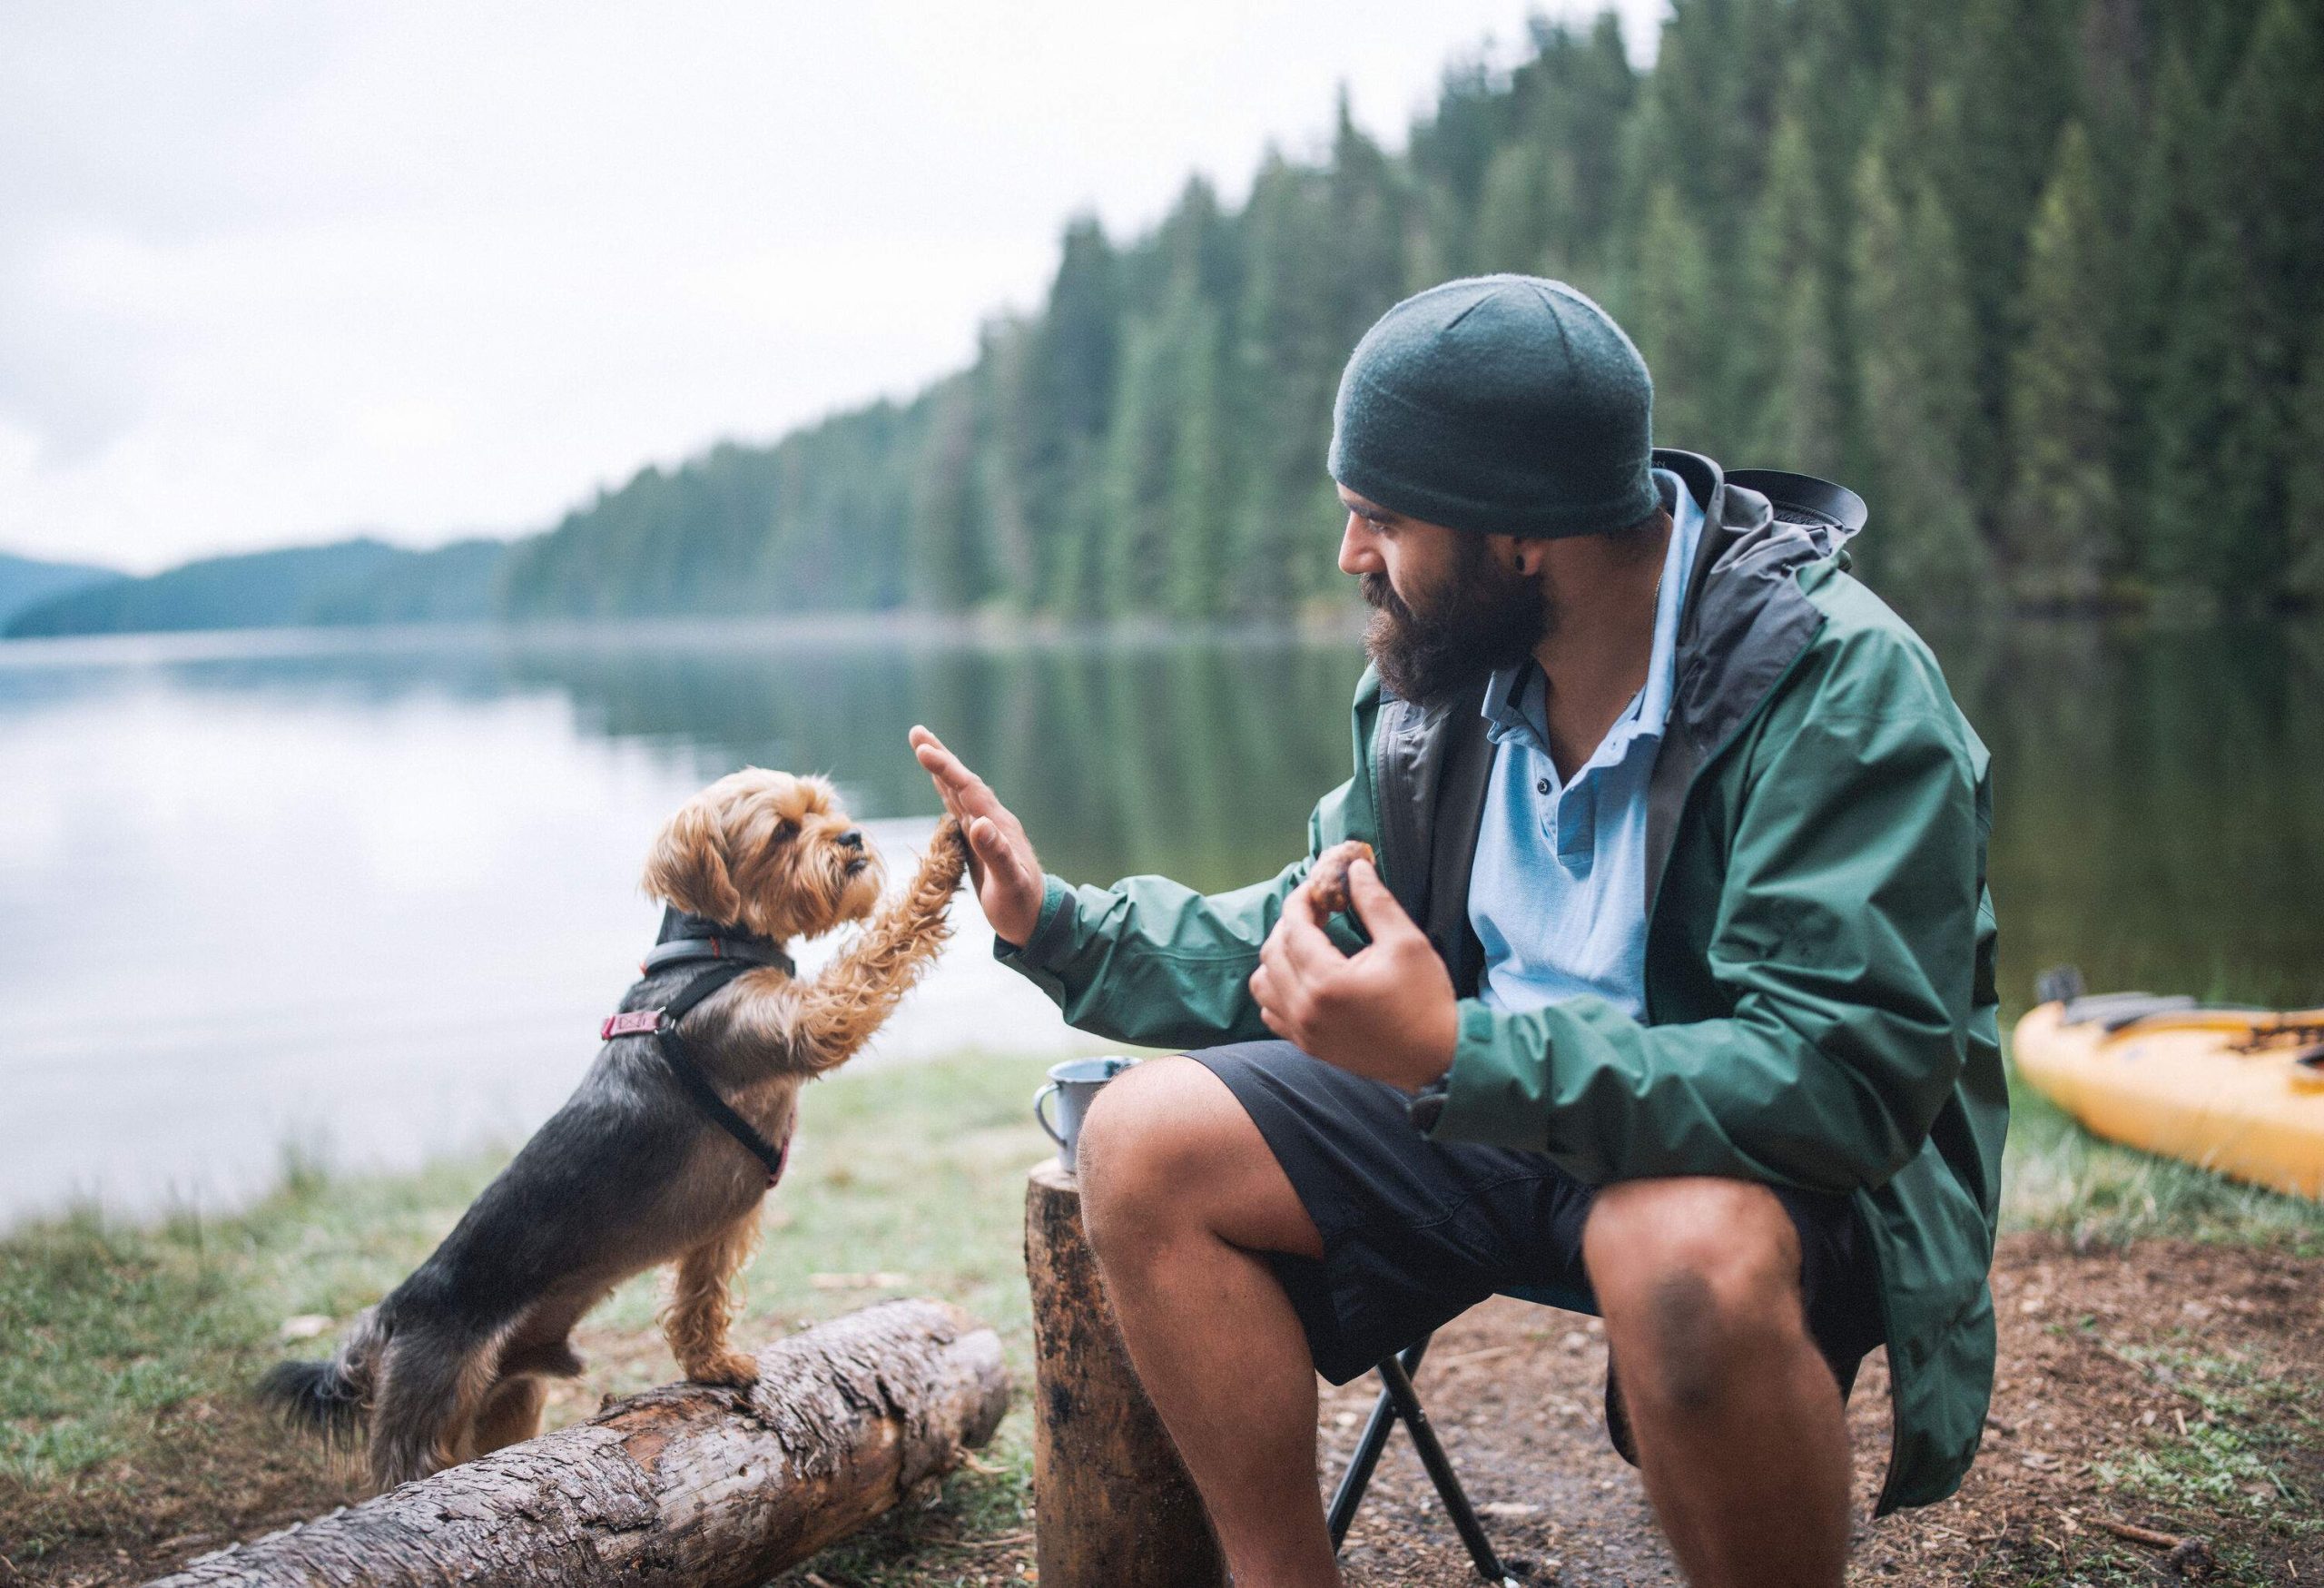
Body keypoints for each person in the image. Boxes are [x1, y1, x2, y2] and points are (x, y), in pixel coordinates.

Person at [910, 275, 2003, 1588]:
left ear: (1523, 533)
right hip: (1489, 1111)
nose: (1349, 555)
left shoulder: (1837, 686)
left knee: (1672, 1257)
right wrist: (1065, 925)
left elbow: (1842, 1079)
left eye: (1380, 516)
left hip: (1749, 1161)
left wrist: (1454, 1052)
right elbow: (1309, 917)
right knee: (1143, 1142)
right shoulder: (1440, 684)